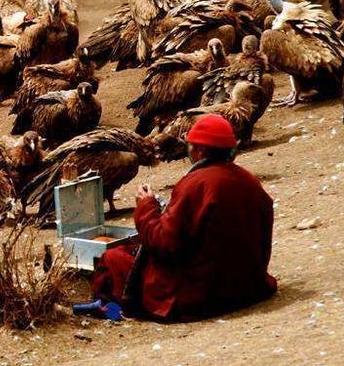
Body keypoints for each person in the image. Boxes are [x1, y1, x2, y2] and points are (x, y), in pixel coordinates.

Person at [91, 114, 277, 321]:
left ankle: (115, 310)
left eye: (191, 145)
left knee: (113, 258)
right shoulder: (249, 180)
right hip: (248, 285)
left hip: (201, 295)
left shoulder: (195, 184)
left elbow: (165, 244)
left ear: (199, 150)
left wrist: (146, 206)